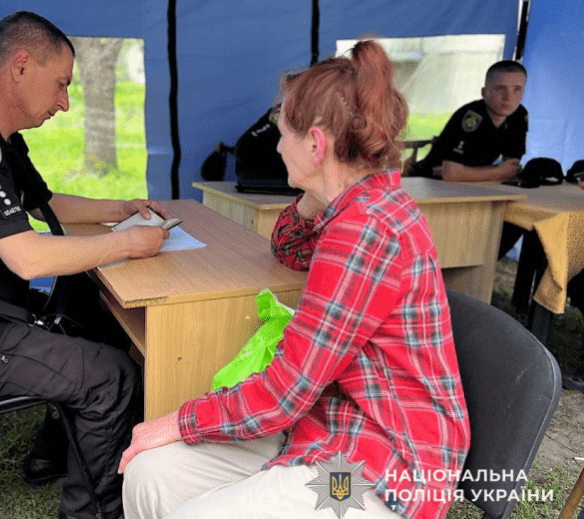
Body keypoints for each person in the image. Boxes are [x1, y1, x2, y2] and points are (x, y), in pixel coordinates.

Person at [118, 41, 471, 519]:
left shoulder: (363, 229)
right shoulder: (355, 201)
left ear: (316, 145)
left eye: (284, 134)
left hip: (384, 466)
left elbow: (285, 393)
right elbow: (286, 247)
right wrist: (319, 187)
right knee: (151, 472)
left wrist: (175, 422)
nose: (278, 146)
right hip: (329, 425)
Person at [0, 11, 171, 519]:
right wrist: (129, 243)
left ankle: (51, 455)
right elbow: (26, 257)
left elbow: (45, 204)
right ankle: (93, 512)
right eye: (61, 84)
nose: (65, 103)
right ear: (21, 66)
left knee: (89, 304)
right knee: (113, 376)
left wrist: (123, 209)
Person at [407, 60, 528, 182]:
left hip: (471, 184)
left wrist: (466, 173)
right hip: (425, 179)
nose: (508, 97)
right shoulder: (471, 116)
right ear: (484, 92)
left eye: (517, 89)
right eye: (500, 89)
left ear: (524, 93)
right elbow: (451, 175)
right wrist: (498, 171)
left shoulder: (519, 115)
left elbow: (510, 169)